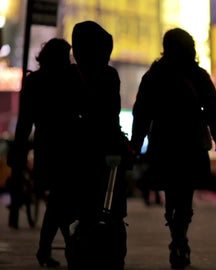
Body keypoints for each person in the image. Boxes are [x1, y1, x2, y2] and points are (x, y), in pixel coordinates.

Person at [130, 28, 216, 269]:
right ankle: (180, 236)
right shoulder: (198, 75)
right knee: (185, 194)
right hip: (192, 144)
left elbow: (141, 113)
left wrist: (135, 143)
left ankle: (175, 231)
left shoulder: (154, 76)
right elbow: (215, 109)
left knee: (171, 193)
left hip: (163, 144)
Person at [65, 21, 128, 270]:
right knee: (110, 211)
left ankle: (79, 254)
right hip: (104, 154)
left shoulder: (68, 76)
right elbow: (111, 117)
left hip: (76, 155)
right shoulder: (109, 75)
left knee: (78, 212)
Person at [7, 38, 72, 267]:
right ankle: (62, 247)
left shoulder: (35, 82)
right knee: (60, 200)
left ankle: (51, 249)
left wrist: (19, 151)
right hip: (65, 148)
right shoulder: (69, 79)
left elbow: (25, 123)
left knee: (58, 199)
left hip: (46, 147)